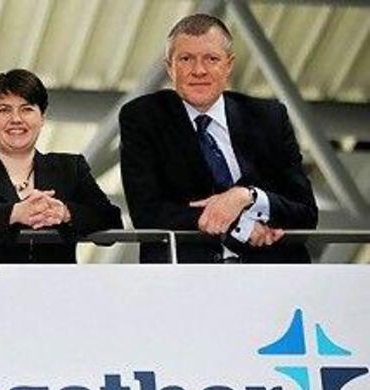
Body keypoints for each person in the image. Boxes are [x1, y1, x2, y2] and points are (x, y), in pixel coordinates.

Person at [119, 13, 318, 263]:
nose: (198, 70)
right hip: (184, 280)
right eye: (186, 59)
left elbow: (305, 212)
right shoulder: (143, 117)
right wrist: (241, 227)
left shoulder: (269, 118)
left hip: (273, 279)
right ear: (169, 67)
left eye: (211, 59)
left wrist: (248, 196)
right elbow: (148, 212)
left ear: (229, 64)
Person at [0, 69, 122, 263]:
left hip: (56, 288)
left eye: (26, 109)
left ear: (42, 118)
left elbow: (111, 221)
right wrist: (13, 213)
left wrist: (65, 212)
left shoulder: (69, 168)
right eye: (4, 110)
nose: (16, 119)